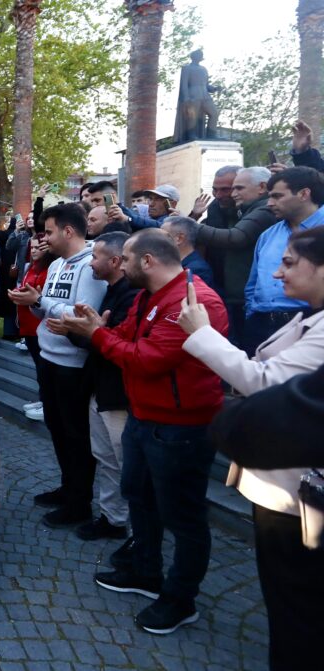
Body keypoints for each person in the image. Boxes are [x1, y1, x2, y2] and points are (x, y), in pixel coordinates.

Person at [59, 229, 228, 635]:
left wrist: (95, 334)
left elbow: (146, 359)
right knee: (139, 496)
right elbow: (126, 336)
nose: (122, 265)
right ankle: (146, 572)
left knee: (184, 517)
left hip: (181, 426)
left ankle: (180, 599)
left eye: (128, 259)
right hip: (145, 416)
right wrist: (95, 327)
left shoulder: (193, 302)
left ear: (147, 261)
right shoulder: (149, 295)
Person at [178, 226, 324, 668]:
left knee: (297, 609)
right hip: (285, 487)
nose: (278, 274)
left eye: (289, 262)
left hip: (298, 495)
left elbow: (266, 382)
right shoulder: (309, 317)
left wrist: (203, 334)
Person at [8, 204, 107, 527]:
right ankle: (68, 488)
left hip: (73, 364)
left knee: (75, 434)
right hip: (48, 356)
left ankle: (80, 502)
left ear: (68, 230)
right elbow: (49, 310)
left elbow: (82, 314)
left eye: (49, 232)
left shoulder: (90, 266)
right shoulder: (55, 265)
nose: (44, 238)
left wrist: (40, 301)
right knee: (58, 428)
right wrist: (32, 301)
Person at [49, 231, 138, 543]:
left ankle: (135, 532)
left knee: (123, 462)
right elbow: (99, 337)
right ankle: (112, 519)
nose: (90, 262)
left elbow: (116, 344)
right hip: (101, 387)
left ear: (115, 261)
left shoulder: (130, 295)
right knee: (106, 457)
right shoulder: (114, 291)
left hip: (117, 393)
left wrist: (85, 331)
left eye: (96, 256)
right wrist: (81, 331)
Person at [195, 166, 277, 348]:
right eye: (215, 190)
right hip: (234, 293)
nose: (229, 194)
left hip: (251, 298)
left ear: (262, 187)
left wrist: (188, 225)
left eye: (236, 188)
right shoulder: (225, 209)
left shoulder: (264, 210)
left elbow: (235, 237)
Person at [245, 167, 324, 355]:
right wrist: (251, 313)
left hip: (311, 322)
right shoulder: (268, 235)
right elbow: (253, 283)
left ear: (304, 194)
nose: (269, 203)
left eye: (277, 196)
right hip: (261, 324)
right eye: (269, 196)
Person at [17, 236, 55, 420]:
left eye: (38, 247)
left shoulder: (50, 268)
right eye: (31, 248)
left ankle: (48, 404)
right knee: (39, 368)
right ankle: (43, 400)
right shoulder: (30, 267)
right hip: (27, 323)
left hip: (38, 324)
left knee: (44, 368)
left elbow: (42, 295)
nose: (33, 251)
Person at [160, 216, 216, 292]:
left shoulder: (197, 270)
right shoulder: (171, 263)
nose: (157, 240)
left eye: (162, 236)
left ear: (179, 238)